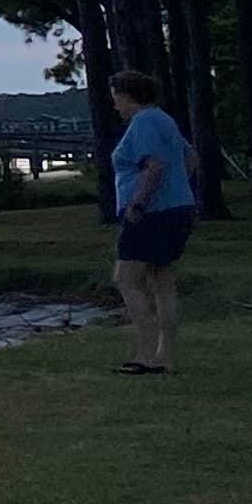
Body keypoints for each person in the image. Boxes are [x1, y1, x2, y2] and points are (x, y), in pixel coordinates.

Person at [104, 69, 200, 374]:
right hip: (178, 208)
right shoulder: (163, 120)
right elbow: (191, 158)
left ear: (126, 96)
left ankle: (145, 352)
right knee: (161, 280)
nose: (115, 105)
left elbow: (153, 166)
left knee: (126, 278)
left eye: (116, 98)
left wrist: (138, 203)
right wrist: (178, 185)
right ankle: (165, 355)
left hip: (151, 213)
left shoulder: (143, 122)